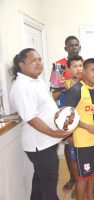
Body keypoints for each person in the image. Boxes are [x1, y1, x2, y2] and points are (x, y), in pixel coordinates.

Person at [10, 48, 71, 200]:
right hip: (39, 144)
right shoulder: (22, 87)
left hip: (46, 141)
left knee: (40, 181)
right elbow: (31, 118)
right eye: (33, 61)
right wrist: (54, 133)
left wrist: (59, 89)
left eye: (39, 59)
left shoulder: (36, 81)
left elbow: (47, 101)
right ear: (22, 64)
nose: (38, 63)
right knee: (49, 184)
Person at [64, 58, 94, 200]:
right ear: (84, 71)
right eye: (92, 70)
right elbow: (67, 116)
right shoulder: (75, 90)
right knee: (83, 176)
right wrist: (88, 127)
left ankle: (90, 197)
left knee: (93, 172)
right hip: (83, 142)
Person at [51, 35, 81, 192]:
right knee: (69, 147)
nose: (74, 47)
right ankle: (72, 177)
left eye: (76, 45)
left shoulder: (83, 65)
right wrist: (63, 86)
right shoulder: (58, 67)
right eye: (71, 45)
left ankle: (84, 176)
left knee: (83, 147)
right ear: (66, 48)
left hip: (83, 113)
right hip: (66, 113)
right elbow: (53, 94)